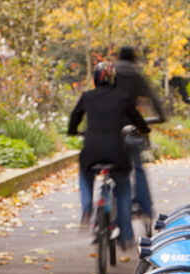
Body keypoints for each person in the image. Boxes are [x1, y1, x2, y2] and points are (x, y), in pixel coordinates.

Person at [67, 61, 150, 247]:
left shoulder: (87, 96)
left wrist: (73, 131)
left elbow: (74, 117)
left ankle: (87, 204)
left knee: (85, 173)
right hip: (116, 152)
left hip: (91, 151)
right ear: (113, 79)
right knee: (123, 186)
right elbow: (137, 119)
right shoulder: (122, 97)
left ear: (96, 80)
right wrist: (143, 130)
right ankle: (126, 233)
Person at [114, 46, 166, 226]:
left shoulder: (110, 73)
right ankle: (144, 209)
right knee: (137, 167)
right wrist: (161, 116)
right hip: (131, 127)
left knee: (117, 170)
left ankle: (112, 208)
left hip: (110, 129)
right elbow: (152, 96)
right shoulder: (136, 75)